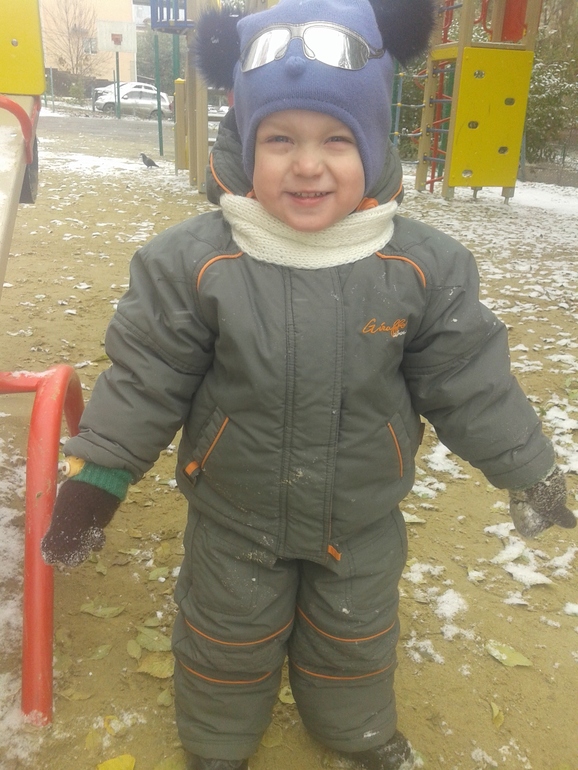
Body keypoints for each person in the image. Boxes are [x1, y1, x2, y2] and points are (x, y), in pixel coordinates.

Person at [41, 0, 576, 768]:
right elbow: (147, 377)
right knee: (226, 635)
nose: (307, 164)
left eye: (336, 139)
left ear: (374, 142)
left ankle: (357, 733)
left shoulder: (422, 268)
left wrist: (529, 469)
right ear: (244, 143)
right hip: (235, 514)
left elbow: (469, 381)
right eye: (280, 139)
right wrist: (97, 480)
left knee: (354, 636)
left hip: (360, 514)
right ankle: (218, 743)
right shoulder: (195, 263)